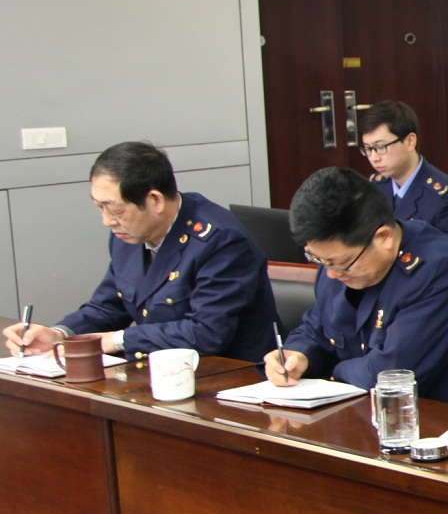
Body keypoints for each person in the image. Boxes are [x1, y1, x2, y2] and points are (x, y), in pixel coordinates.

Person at [4, 142, 278, 364]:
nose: (107, 221)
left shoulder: (220, 240)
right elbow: (108, 306)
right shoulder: (128, 234)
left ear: (155, 200)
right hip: (160, 373)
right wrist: (60, 334)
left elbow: (206, 333)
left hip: (229, 379)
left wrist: (116, 340)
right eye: (99, 207)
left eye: (115, 210)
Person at [264, 167, 448, 405]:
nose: (331, 274)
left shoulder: (439, 269)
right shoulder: (336, 262)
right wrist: (298, 355)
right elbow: (316, 329)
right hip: (361, 412)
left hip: (447, 418)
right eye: (318, 260)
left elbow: (389, 375)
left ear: (384, 237)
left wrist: (334, 370)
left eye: (342, 263)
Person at [358, 101, 448, 237]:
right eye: (368, 149)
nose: (374, 158)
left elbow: (446, 250)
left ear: (410, 141)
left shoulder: (447, 198)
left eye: (381, 147)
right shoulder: (374, 186)